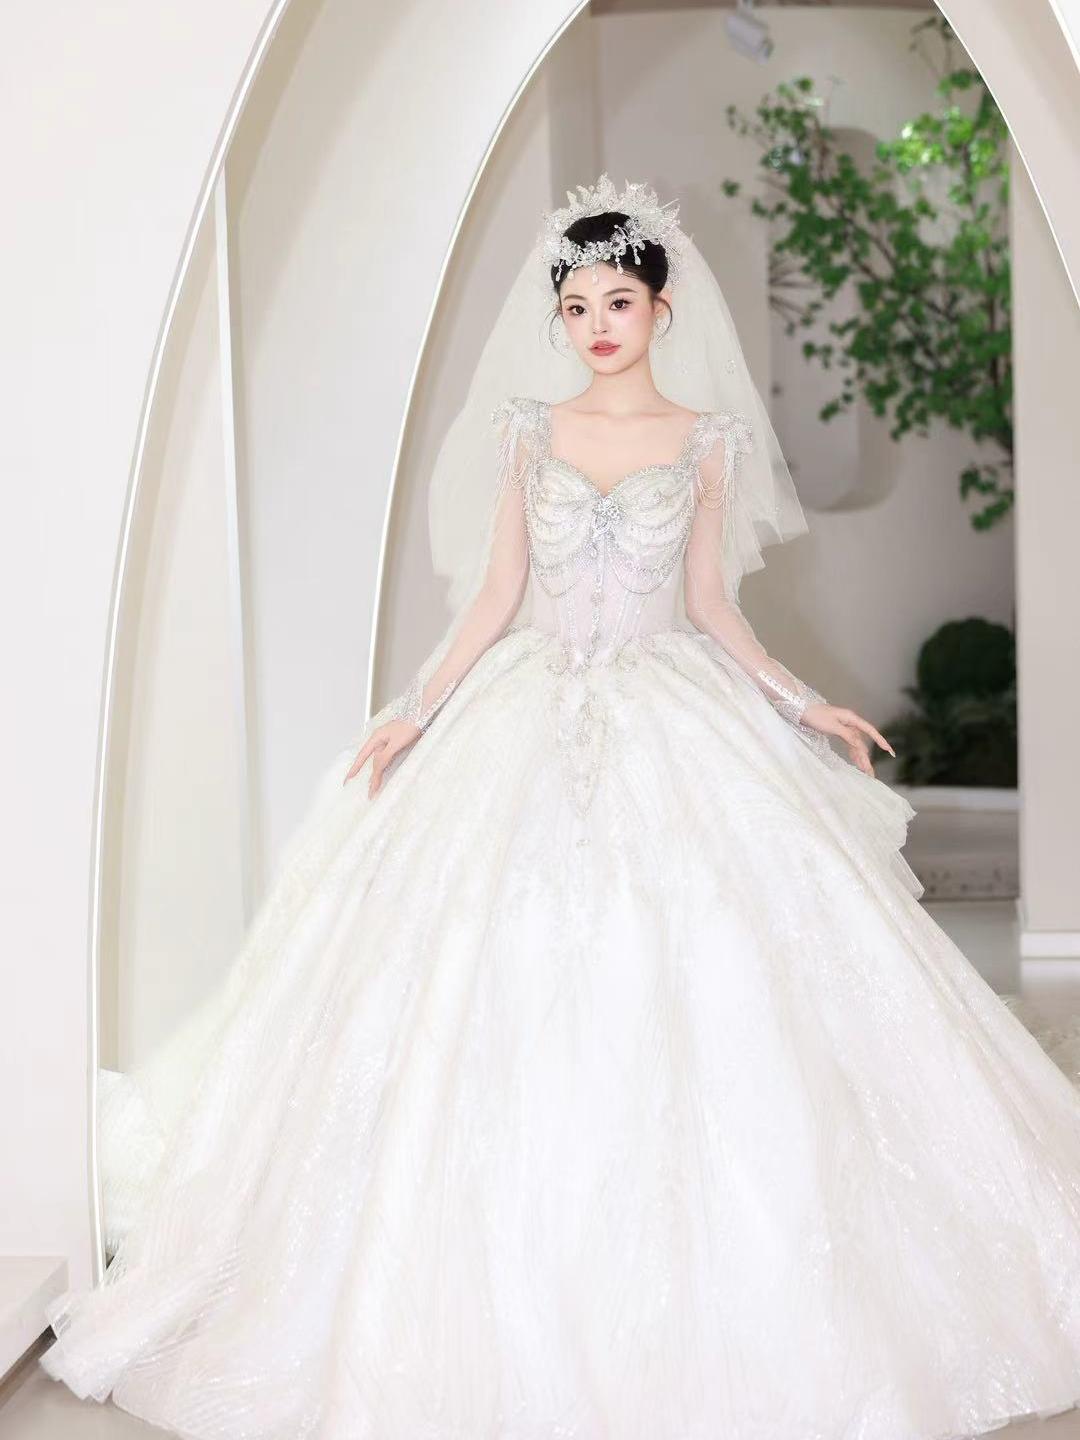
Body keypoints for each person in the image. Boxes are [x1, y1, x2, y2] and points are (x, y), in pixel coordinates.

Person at [40, 174, 1080, 1440]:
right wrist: (414, 708)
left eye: (618, 302)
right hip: (524, 706)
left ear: (661, 307)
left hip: (669, 706)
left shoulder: (706, 440)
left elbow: (712, 604)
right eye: (577, 305)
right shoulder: (529, 431)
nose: (596, 325)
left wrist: (801, 703)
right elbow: (494, 598)